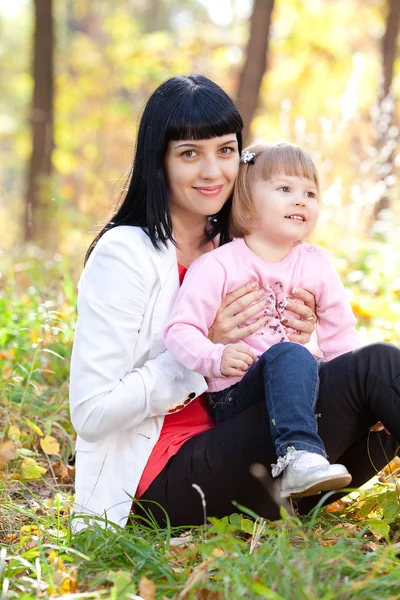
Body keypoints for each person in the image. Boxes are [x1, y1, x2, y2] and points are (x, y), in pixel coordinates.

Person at [69, 74, 400, 530]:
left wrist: (305, 345)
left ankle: (300, 486)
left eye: (225, 150)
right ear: (159, 161)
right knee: (378, 368)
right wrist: (204, 350)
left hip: (265, 453)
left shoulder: (238, 248)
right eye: (189, 154)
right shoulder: (125, 254)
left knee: (379, 396)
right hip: (160, 483)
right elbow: (90, 412)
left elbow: (284, 363)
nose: (213, 172)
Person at [164, 141, 361, 498]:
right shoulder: (219, 265)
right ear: (247, 200)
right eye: (285, 189)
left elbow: (341, 337)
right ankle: (298, 456)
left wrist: (354, 385)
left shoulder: (316, 263)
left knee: (358, 367)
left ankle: (320, 466)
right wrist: (215, 357)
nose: (301, 200)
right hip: (238, 396)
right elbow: (180, 330)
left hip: (301, 387)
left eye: (310, 193)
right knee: (289, 353)